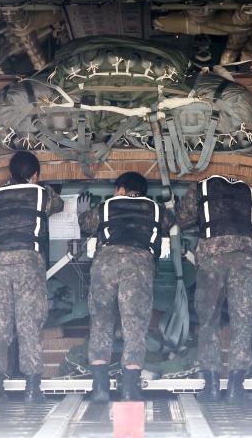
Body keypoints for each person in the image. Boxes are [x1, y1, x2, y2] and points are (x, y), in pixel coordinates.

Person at [77, 172, 175, 403]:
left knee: (100, 324)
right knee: (135, 327)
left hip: (105, 264)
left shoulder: (106, 206)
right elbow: (171, 221)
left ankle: (100, 388)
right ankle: (130, 390)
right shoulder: (156, 210)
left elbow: (85, 224)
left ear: (121, 189)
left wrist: (82, 210)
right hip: (139, 265)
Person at [0, 151, 64, 404]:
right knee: (29, 324)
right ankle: (32, 389)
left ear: (9, 173)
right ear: (36, 175)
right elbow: (58, 205)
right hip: (28, 260)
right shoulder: (42, 193)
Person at [175, 175, 252, 403]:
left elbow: (183, 219)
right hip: (245, 256)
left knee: (208, 321)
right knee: (243, 321)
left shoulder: (200, 186)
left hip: (212, 257)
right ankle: (236, 388)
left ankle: (212, 387)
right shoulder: (250, 190)